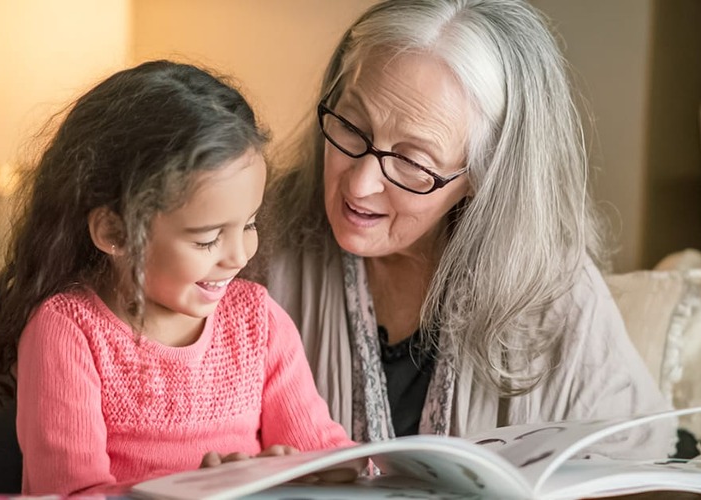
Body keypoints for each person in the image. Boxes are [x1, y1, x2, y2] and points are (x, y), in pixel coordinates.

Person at [253, 0, 676, 458]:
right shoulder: (252, 241)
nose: (359, 184)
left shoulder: (552, 292)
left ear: (481, 175)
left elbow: (635, 459)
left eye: (411, 161)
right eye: (352, 127)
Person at [0, 60, 354, 495]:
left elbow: (325, 452)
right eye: (207, 239)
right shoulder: (68, 330)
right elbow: (71, 493)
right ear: (116, 232)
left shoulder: (258, 321)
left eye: (249, 224)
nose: (240, 255)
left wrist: (337, 467)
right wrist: (196, 488)